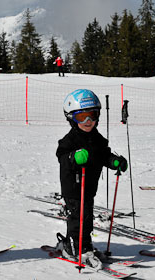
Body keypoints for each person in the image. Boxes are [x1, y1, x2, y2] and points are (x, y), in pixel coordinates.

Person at [56, 89, 127, 268]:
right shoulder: (69, 140)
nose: (88, 122)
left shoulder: (97, 139)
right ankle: (72, 247)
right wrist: (74, 157)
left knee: (86, 217)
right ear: (71, 118)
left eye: (92, 116)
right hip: (73, 188)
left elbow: (104, 155)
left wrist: (114, 162)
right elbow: (63, 156)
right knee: (76, 217)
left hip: (89, 186)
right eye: (82, 117)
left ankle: (85, 245)